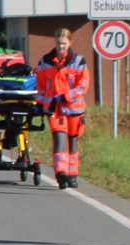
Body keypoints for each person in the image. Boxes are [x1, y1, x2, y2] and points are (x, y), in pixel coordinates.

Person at [35, 28, 90, 190]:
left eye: (64, 44)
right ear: (55, 42)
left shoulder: (79, 61)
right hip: (54, 110)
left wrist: (67, 96)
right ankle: (61, 173)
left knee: (73, 143)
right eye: (59, 43)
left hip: (75, 110)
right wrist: (40, 105)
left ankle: (72, 175)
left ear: (70, 43)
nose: (61, 47)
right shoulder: (45, 61)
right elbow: (41, 87)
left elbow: (83, 85)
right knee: (59, 141)